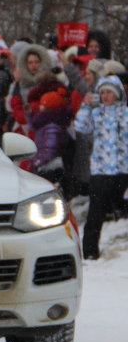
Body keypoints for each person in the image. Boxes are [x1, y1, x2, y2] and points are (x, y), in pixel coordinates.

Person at [74, 75, 128, 259]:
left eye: (109, 93)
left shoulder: (126, 114)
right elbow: (80, 127)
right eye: (102, 92)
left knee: (122, 208)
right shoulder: (96, 114)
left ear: (117, 94)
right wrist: (85, 106)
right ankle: (89, 251)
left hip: (123, 171)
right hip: (101, 171)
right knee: (95, 214)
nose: (105, 96)